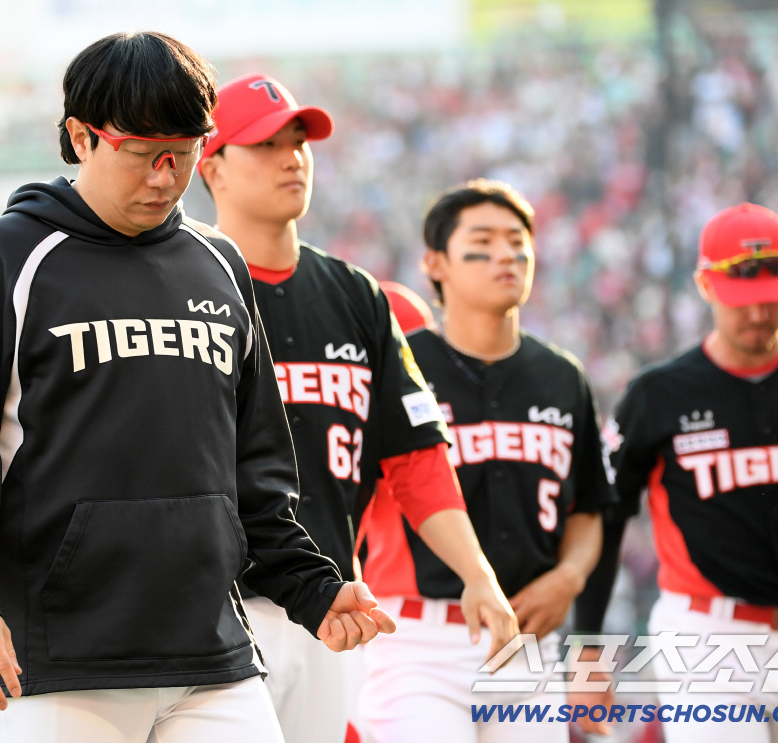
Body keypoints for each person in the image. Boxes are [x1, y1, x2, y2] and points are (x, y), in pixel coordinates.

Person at [0, 32, 395, 743]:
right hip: (59, 661)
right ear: (81, 136)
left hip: (214, 653)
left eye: (184, 152)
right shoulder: (3, 256)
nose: (165, 177)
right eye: (142, 154)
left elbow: (254, 470)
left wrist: (313, 587)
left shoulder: (220, 264)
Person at [197, 75, 518, 743]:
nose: (293, 157)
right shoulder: (179, 285)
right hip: (215, 607)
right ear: (213, 166)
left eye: (299, 140)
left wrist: (477, 573)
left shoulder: (355, 295)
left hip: (331, 609)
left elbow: (416, 457)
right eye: (265, 144)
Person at [576, 202, 778, 743]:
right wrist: (588, 647)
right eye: (743, 298)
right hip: (706, 631)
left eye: (772, 297)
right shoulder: (657, 395)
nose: (759, 313)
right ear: (706, 286)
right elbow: (608, 517)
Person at [359, 180, 615, 743]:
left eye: (518, 242)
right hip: (418, 638)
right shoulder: (398, 364)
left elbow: (590, 508)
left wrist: (569, 577)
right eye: (483, 242)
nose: (507, 254)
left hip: (526, 644)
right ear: (436, 263)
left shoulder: (563, 376)